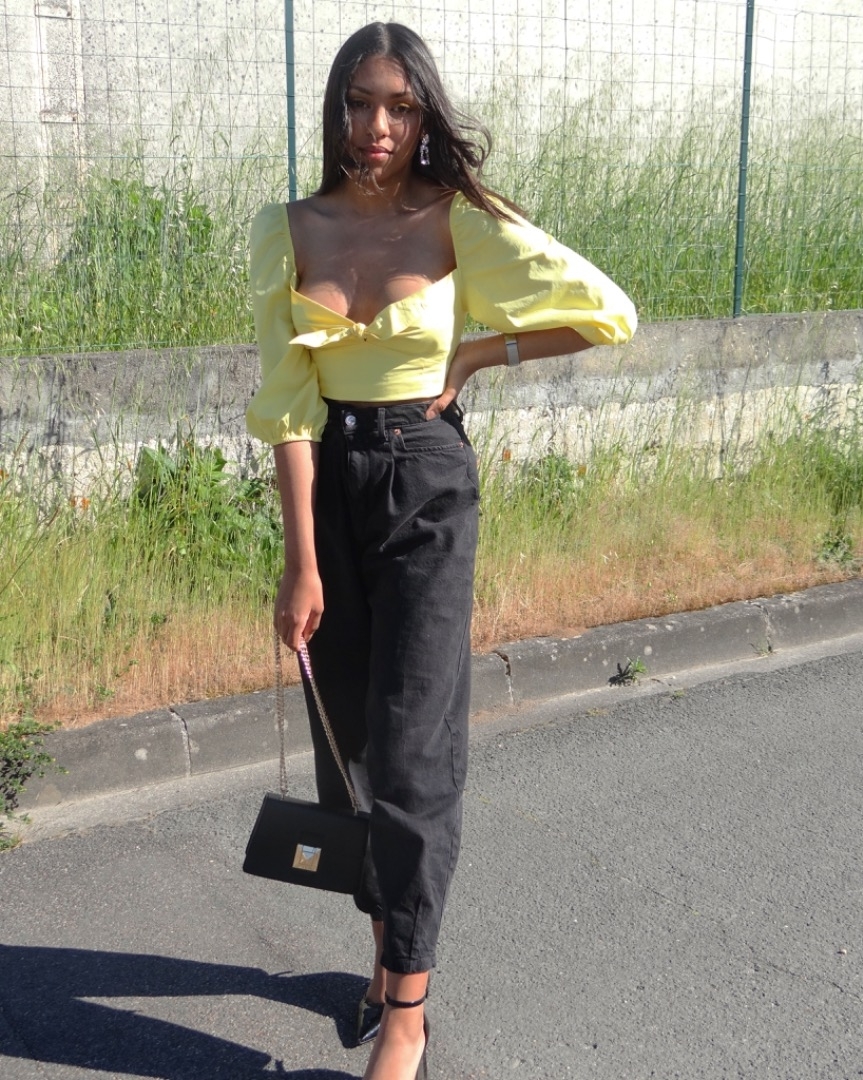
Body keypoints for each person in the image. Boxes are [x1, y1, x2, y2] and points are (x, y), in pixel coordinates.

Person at [245, 21, 636, 1080]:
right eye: (359, 102)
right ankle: (383, 951)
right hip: (329, 488)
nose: (377, 125)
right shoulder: (290, 228)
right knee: (350, 746)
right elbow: (287, 406)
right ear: (335, 108)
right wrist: (299, 561)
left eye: (399, 105)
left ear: (423, 114)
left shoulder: (457, 218)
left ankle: (408, 1017)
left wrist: (476, 353)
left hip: (424, 482)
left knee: (414, 750)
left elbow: (606, 312)